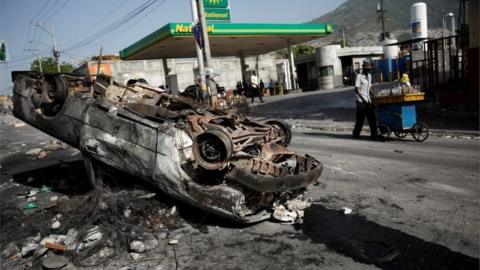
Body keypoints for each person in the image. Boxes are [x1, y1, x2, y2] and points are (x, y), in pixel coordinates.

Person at [352, 62, 380, 140]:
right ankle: (355, 134)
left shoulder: (370, 76)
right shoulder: (359, 76)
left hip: (368, 100)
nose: (368, 70)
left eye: (369, 69)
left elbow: (369, 87)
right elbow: (356, 89)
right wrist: (363, 99)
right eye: (367, 69)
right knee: (360, 119)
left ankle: (374, 135)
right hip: (361, 101)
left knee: (372, 118)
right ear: (363, 68)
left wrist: (373, 94)